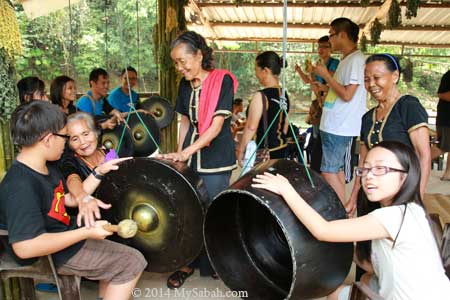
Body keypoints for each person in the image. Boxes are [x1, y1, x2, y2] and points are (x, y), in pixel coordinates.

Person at [252, 141, 450, 300]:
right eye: (365, 169)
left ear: (405, 177)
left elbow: (323, 230)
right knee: (365, 278)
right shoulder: (412, 211)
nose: (369, 176)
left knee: (335, 293)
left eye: (381, 169)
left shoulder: (394, 216)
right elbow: (375, 266)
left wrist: (286, 188)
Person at [0, 101, 147, 300]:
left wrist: (98, 173)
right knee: (133, 261)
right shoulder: (20, 186)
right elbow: (26, 247)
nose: (67, 143)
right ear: (48, 139)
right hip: (52, 252)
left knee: (124, 250)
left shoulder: (45, 167)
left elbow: (66, 199)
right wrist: (85, 232)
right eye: (66, 137)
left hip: (63, 234)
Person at [157, 31, 238, 289]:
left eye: (183, 61)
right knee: (188, 209)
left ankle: (214, 261)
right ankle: (186, 261)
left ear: (199, 55)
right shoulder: (184, 85)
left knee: (214, 210)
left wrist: (187, 152)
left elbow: (215, 127)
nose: (180, 68)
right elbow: (183, 121)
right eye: (176, 63)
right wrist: (180, 155)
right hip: (191, 152)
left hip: (217, 157)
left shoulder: (222, 80)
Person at [346, 54, 430, 215]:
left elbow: (423, 155)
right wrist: (354, 196)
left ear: (395, 76)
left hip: (400, 193)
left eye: (377, 78)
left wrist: (417, 199)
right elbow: (364, 161)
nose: (371, 84)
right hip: (370, 194)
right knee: (368, 237)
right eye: (366, 79)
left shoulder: (409, 107)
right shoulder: (367, 118)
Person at [313, 18, 367, 204]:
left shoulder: (357, 60)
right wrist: (324, 88)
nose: (330, 40)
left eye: (331, 35)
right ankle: (342, 210)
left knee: (329, 171)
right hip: (332, 124)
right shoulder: (346, 60)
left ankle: (342, 212)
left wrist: (326, 75)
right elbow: (339, 90)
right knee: (334, 170)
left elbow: (347, 95)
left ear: (342, 35)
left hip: (341, 127)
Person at [60, 112, 131, 228]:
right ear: (69, 144)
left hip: (121, 212)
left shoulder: (108, 152)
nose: (82, 142)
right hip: (95, 223)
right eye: (74, 138)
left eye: (86, 134)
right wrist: (83, 197)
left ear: (96, 133)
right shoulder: (70, 162)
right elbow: (72, 179)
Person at [236, 51, 290, 166]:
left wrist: (240, 150)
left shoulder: (260, 96)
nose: (255, 73)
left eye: (256, 69)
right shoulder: (284, 95)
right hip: (281, 148)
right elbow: (285, 125)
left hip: (265, 152)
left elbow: (251, 127)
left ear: (265, 71)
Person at [295, 36, 339, 172]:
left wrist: (313, 70)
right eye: (319, 47)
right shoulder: (317, 64)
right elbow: (309, 81)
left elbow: (329, 77)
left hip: (329, 102)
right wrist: (300, 71)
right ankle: (316, 167)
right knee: (316, 135)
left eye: (325, 47)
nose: (321, 50)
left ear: (331, 48)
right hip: (317, 103)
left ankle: (325, 167)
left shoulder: (334, 63)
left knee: (325, 136)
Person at [431, 70, 450, 181]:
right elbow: (441, 94)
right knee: (442, 147)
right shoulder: (449, 75)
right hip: (447, 120)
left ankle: (448, 174)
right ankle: (414, 165)